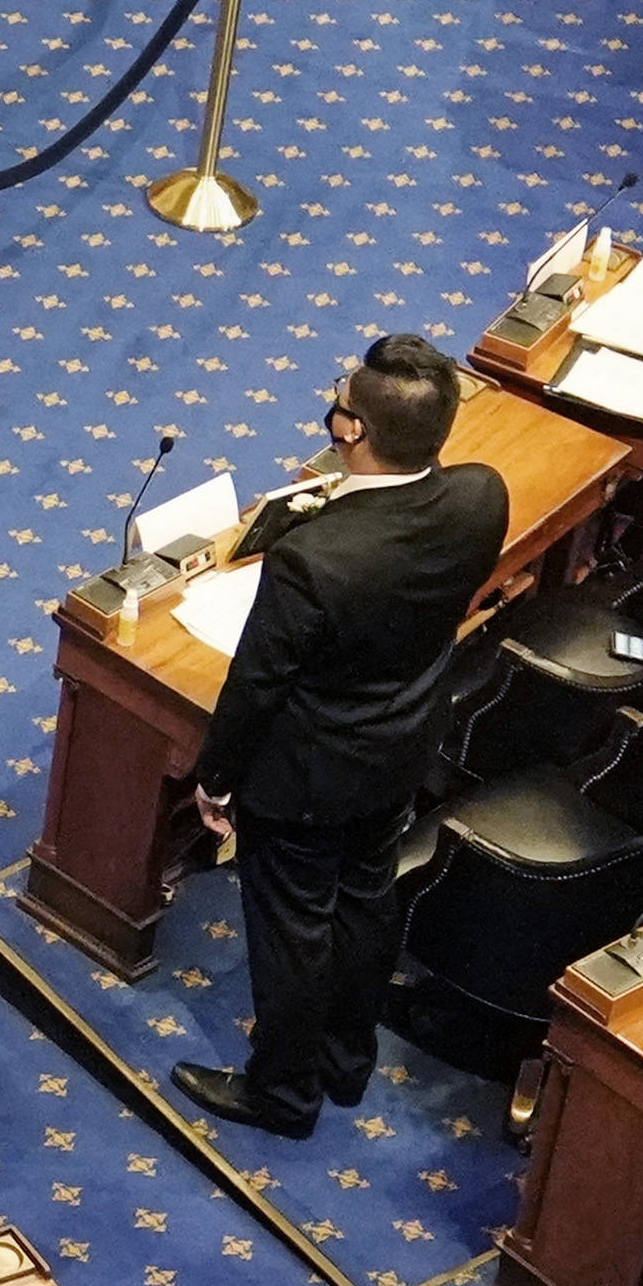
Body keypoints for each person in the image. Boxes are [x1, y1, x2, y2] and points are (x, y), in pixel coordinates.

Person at [168, 335, 511, 1144]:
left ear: (349, 430)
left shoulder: (310, 559)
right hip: (401, 749)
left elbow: (257, 685)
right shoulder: (479, 494)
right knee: (366, 899)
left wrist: (215, 781)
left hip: (306, 775)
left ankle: (282, 1094)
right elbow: (402, 529)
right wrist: (345, 496)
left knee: (292, 930)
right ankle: (345, 1059)